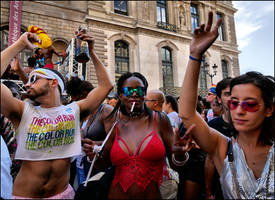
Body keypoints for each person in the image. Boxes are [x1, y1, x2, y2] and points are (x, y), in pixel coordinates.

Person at [0, 29, 113, 198]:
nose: (28, 84)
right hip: (25, 195)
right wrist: (19, 44)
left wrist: (91, 52)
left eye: (34, 79)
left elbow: (106, 86)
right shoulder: (22, 111)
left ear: (53, 83)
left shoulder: (74, 110)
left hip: (62, 194)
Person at [178, 11, 274, 199]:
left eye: (250, 104)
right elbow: (187, 113)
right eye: (234, 103)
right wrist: (195, 55)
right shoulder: (222, 147)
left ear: (269, 109)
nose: (239, 110)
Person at [82, 72, 194, 199]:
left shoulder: (159, 120)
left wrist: (180, 155)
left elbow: (176, 165)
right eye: (129, 91)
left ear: (144, 95)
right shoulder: (114, 123)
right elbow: (104, 164)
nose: (134, 94)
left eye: (139, 90)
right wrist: (93, 156)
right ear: (121, 95)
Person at [205, 77, 234, 200]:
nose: (232, 98)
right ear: (219, 99)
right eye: (227, 94)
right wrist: (208, 191)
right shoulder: (213, 126)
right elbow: (210, 159)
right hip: (222, 186)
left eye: (234, 93)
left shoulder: (251, 124)